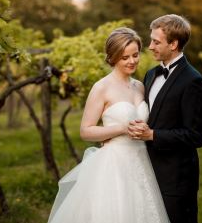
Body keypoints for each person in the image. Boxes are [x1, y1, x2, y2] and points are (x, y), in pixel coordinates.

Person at [47, 27, 170, 223]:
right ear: (112, 58)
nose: (132, 61)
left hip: (142, 161)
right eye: (124, 57)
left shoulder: (140, 86)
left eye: (135, 55)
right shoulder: (101, 87)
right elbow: (86, 131)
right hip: (114, 164)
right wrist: (122, 129)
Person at [128, 14, 202, 223]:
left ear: (173, 44)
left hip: (176, 180)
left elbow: (196, 136)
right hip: (146, 172)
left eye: (156, 41)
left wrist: (152, 134)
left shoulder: (194, 81)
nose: (150, 46)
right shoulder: (151, 74)